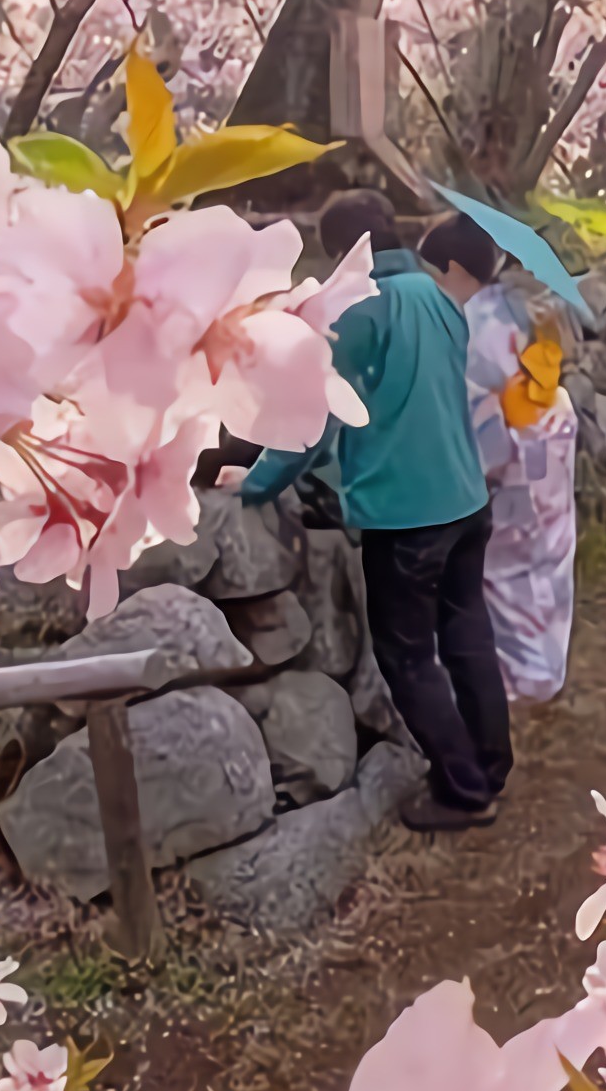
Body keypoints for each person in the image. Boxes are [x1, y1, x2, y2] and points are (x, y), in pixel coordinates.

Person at [241, 190, 512, 833]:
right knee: (469, 637)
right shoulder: (437, 299)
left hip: (407, 513)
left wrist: (253, 486)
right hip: (466, 500)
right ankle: (490, 766)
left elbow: (317, 417)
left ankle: (465, 791)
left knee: (409, 656)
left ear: (342, 251)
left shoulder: (359, 309)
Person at [424, 212, 579, 707]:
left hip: (513, 451)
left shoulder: (473, 328)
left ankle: (519, 679)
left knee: (507, 570)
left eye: (435, 274)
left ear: (455, 269)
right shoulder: (523, 307)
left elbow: (475, 423)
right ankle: (543, 671)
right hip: (548, 434)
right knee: (547, 559)